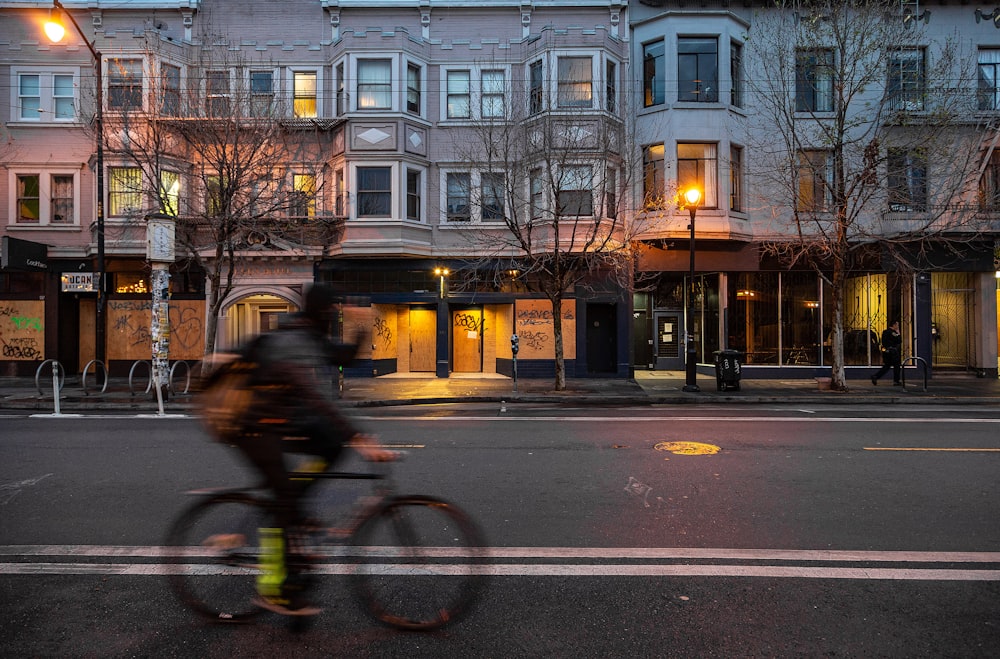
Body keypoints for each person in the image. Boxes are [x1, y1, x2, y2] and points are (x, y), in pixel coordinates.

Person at [221, 284, 392, 616]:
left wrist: (361, 328)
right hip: (254, 428)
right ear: (322, 311)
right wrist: (359, 437)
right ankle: (273, 590)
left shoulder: (310, 333)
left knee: (331, 447)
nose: (335, 316)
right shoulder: (293, 341)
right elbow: (316, 397)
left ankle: (296, 511)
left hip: (284, 422)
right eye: (333, 312)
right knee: (286, 501)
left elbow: (341, 357)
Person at [871, 320, 902, 386]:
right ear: (893, 325)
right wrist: (898, 333)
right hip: (892, 352)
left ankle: (876, 376)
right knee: (897, 365)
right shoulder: (893, 332)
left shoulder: (885, 332)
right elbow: (899, 340)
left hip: (886, 351)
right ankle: (896, 381)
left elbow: (883, 341)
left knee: (887, 366)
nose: (897, 326)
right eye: (897, 325)